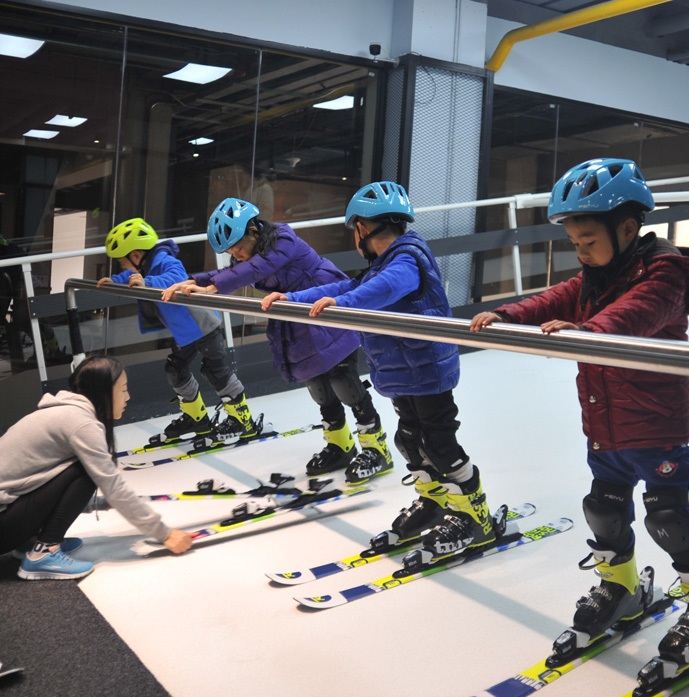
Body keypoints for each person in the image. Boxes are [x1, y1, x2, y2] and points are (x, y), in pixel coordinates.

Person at [470, 158, 689, 673]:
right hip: (605, 425)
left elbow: (637, 312)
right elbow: (557, 296)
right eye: (575, 241)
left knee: (668, 520)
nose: (581, 249)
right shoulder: (595, 276)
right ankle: (623, 588)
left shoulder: (667, 272)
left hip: (656, 427)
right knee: (604, 511)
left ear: (627, 227)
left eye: (588, 237)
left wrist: (592, 331)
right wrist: (505, 314)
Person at [262, 181, 494, 566]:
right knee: (408, 438)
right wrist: (294, 297)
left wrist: (343, 303)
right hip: (404, 372)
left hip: (426, 370)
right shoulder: (383, 263)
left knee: (440, 444)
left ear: (363, 228)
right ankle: (435, 504)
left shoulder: (407, 257)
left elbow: (386, 288)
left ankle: (474, 515)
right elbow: (351, 284)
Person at [161, 198, 392, 485]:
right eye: (230, 250)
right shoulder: (246, 258)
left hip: (325, 304)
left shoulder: (283, 239)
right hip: (295, 317)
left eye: (238, 246)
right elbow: (232, 271)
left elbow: (256, 268)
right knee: (317, 383)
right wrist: (191, 279)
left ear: (254, 231)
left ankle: (376, 448)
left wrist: (212, 285)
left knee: (343, 379)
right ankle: (340, 445)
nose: (236, 254)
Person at [0, 356, 192, 580]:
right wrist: (165, 534)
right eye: (123, 390)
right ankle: (44, 551)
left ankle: (30, 541)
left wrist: (97, 503)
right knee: (87, 470)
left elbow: (42, 480)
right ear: (103, 391)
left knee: (85, 468)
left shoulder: (66, 413)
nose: (127, 397)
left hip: (8, 516)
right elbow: (113, 486)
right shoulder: (82, 424)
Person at [98, 218, 256, 445]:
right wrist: (113, 280)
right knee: (175, 369)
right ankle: (197, 418)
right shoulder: (145, 265)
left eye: (123, 262)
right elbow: (131, 277)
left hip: (203, 326)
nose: (123, 267)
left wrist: (147, 281)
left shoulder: (163, 259)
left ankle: (243, 421)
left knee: (216, 371)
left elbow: (177, 277)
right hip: (185, 332)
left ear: (136, 255)